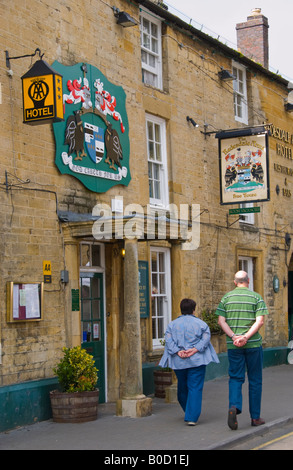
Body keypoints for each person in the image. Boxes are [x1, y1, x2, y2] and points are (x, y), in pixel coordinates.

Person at [215, 270, 269, 430]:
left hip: (234, 346)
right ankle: (255, 417)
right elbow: (260, 321)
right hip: (252, 345)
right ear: (249, 280)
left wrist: (234, 336)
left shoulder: (226, 298)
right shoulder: (256, 297)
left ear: (234, 282)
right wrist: (245, 337)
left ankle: (234, 406)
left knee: (236, 378)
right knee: (255, 380)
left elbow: (221, 321)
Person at [159, 298, 219, 426]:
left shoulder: (172, 325)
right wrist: (195, 349)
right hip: (197, 360)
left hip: (179, 361)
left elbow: (169, 341)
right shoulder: (202, 324)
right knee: (195, 388)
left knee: (182, 387)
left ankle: (189, 411)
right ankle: (191, 416)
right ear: (193, 309)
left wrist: (178, 352)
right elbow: (206, 339)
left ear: (181, 309)